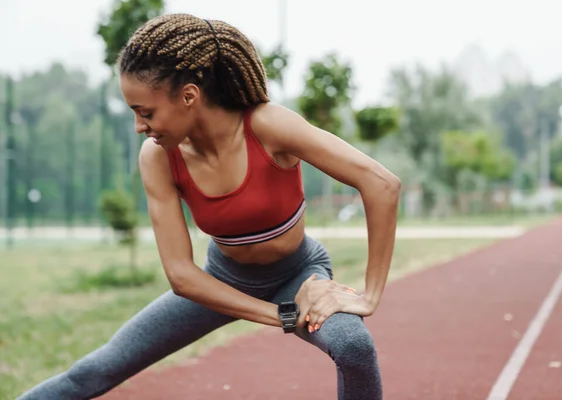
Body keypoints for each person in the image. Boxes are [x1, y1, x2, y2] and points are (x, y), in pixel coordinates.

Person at [17, 13, 401, 400]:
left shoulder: (268, 127)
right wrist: (281, 315)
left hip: (299, 274)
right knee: (91, 372)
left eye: (145, 112)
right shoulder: (158, 157)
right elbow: (181, 276)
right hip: (218, 281)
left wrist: (368, 295)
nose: (139, 126)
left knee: (354, 347)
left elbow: (381, 183)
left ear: (189, 96)